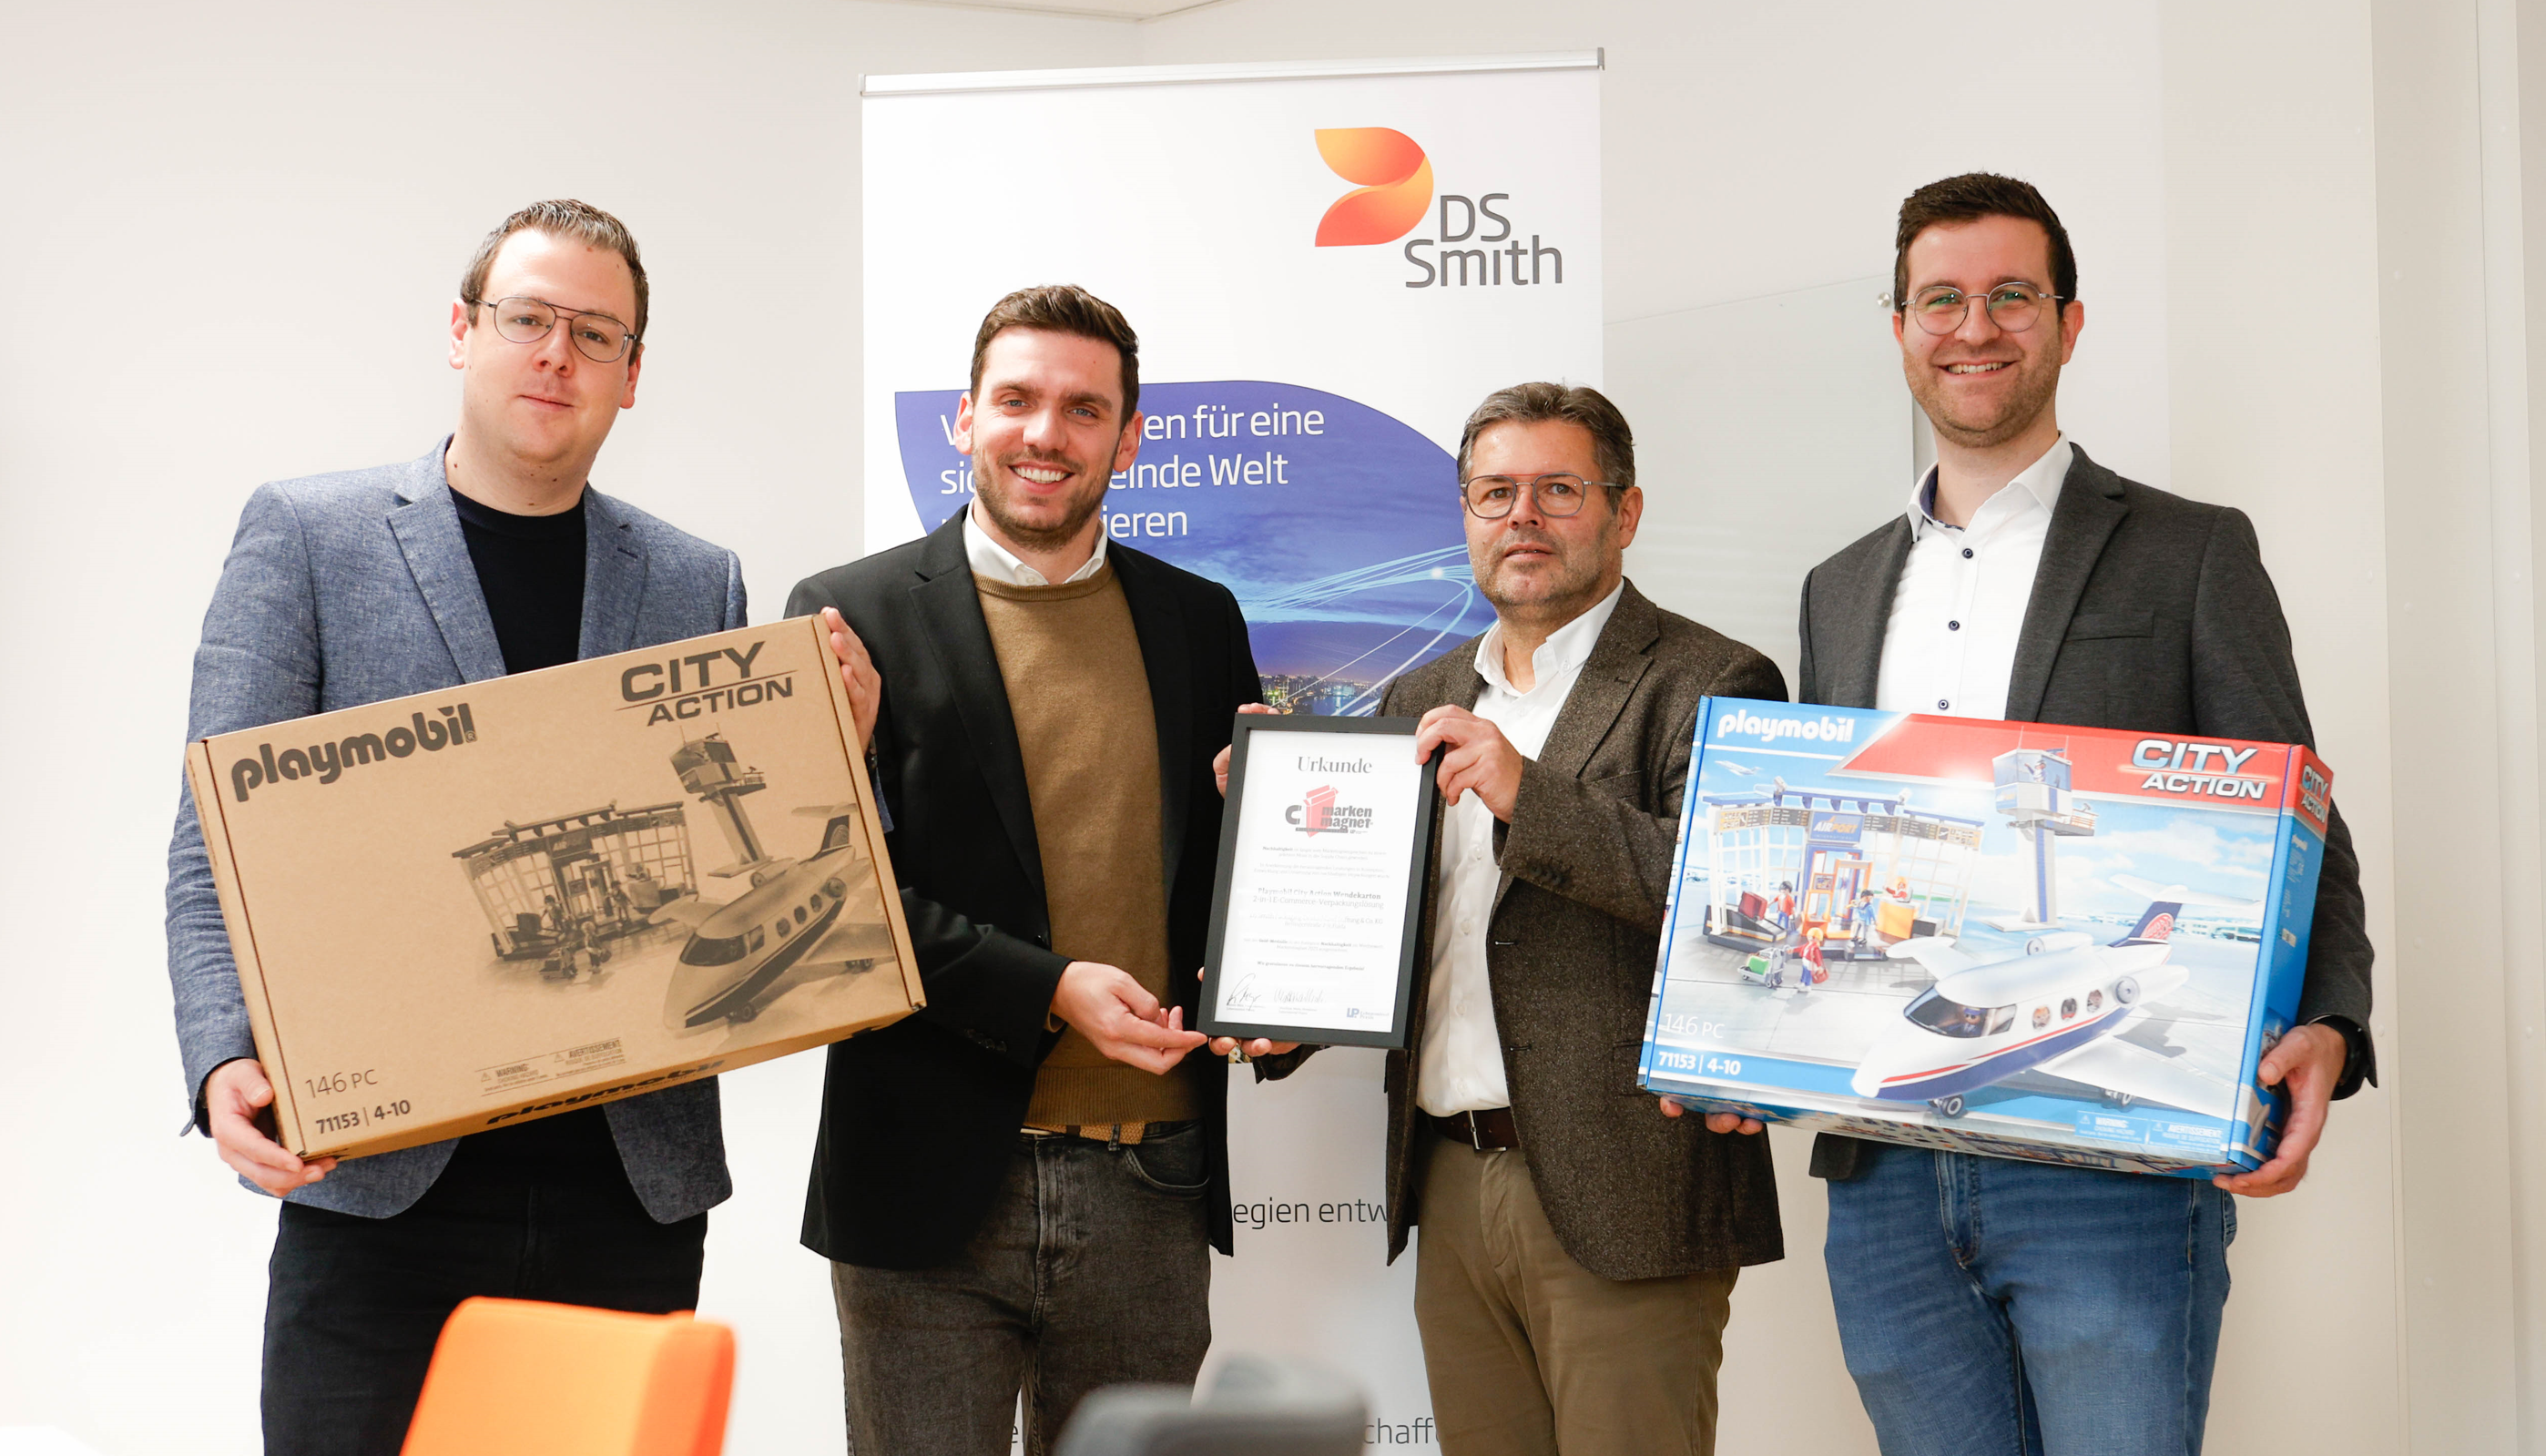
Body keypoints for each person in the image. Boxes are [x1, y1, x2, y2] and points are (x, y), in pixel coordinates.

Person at [164, 199, 875, 1455]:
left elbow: (745, 846)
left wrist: (837, 757)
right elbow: (212, 844)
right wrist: (225, 1058)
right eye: (527, 318)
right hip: (381, 1186)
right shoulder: (310, 536)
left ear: (632, 374)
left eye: (595, 334)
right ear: (463, 331)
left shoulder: (695, 579)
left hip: (625, 1192)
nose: (557, 354)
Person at [1691, 171, 2377, 1456]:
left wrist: (2332, 1019)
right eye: (1939, 300)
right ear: (1899, 326)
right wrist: (1746, 1039)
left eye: (2011, 295)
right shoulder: (1840, 587)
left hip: (2108, 1174)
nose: (1974, 327)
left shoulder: (2189, 551)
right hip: (1885, 1179)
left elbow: (2299, 813)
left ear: (2068, 322)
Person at [1228, 383, 1788, 1456]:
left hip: (1626, 1191)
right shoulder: (1420, 694)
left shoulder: (1711, 680)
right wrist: (1285, 990)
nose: (1521, 517)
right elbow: (1394, 928)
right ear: (1467, 516)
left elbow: (1743, 907)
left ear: (1624, 513)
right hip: (1447, 1176)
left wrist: (1529, 793)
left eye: (1557, 490)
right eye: (1494, 493)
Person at [780, 284, 1264, 1456]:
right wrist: (1049, 989)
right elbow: (825, 901)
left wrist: (1277, 998)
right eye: (1017, 400)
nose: (1046, 433)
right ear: (965, 418)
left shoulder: (1201, 621)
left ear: (1128, 439)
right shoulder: (844, 615)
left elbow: (1233, 876)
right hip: (926, 1181)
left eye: (1084, 409)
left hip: (1151, 1177)